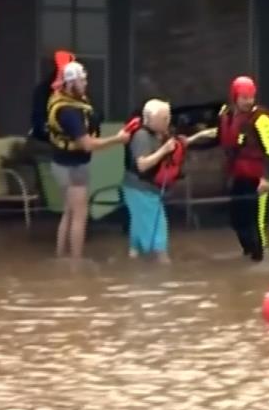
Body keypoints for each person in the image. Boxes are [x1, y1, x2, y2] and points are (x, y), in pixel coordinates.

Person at [45, 60, 131, 260]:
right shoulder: (70, 113)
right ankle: (76, 262)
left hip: (61, 163)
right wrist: (118, 140)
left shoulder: (61, 99)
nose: (85, 84)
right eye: (82, 80)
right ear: (70, 83)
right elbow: (87, 144)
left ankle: (61, 257)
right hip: (73, 167)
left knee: (68, 212)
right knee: (79, 215)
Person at [204, 76, 269, 263]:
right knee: (237, 219)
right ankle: (248, 252)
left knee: (258, 223)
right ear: (235, 97)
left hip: (258, 178)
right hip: (239, 176)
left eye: (251, 97)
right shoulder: (226, 114)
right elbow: (220, 137)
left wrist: (266, 179)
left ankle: (260, 259)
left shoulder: (261, 119)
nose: (248, 101)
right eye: (244, 97)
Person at [123, 99, 177, 263]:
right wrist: (164, 150)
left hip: (143, 189)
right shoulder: (141, 136)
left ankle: (134, 261)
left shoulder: (158, 134)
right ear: (151, 119)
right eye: (164, 118)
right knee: (159, 232)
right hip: (141, 190)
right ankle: (163, 268)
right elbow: (142, 164)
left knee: (138, 231)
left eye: (168, 117)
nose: (168, 121)